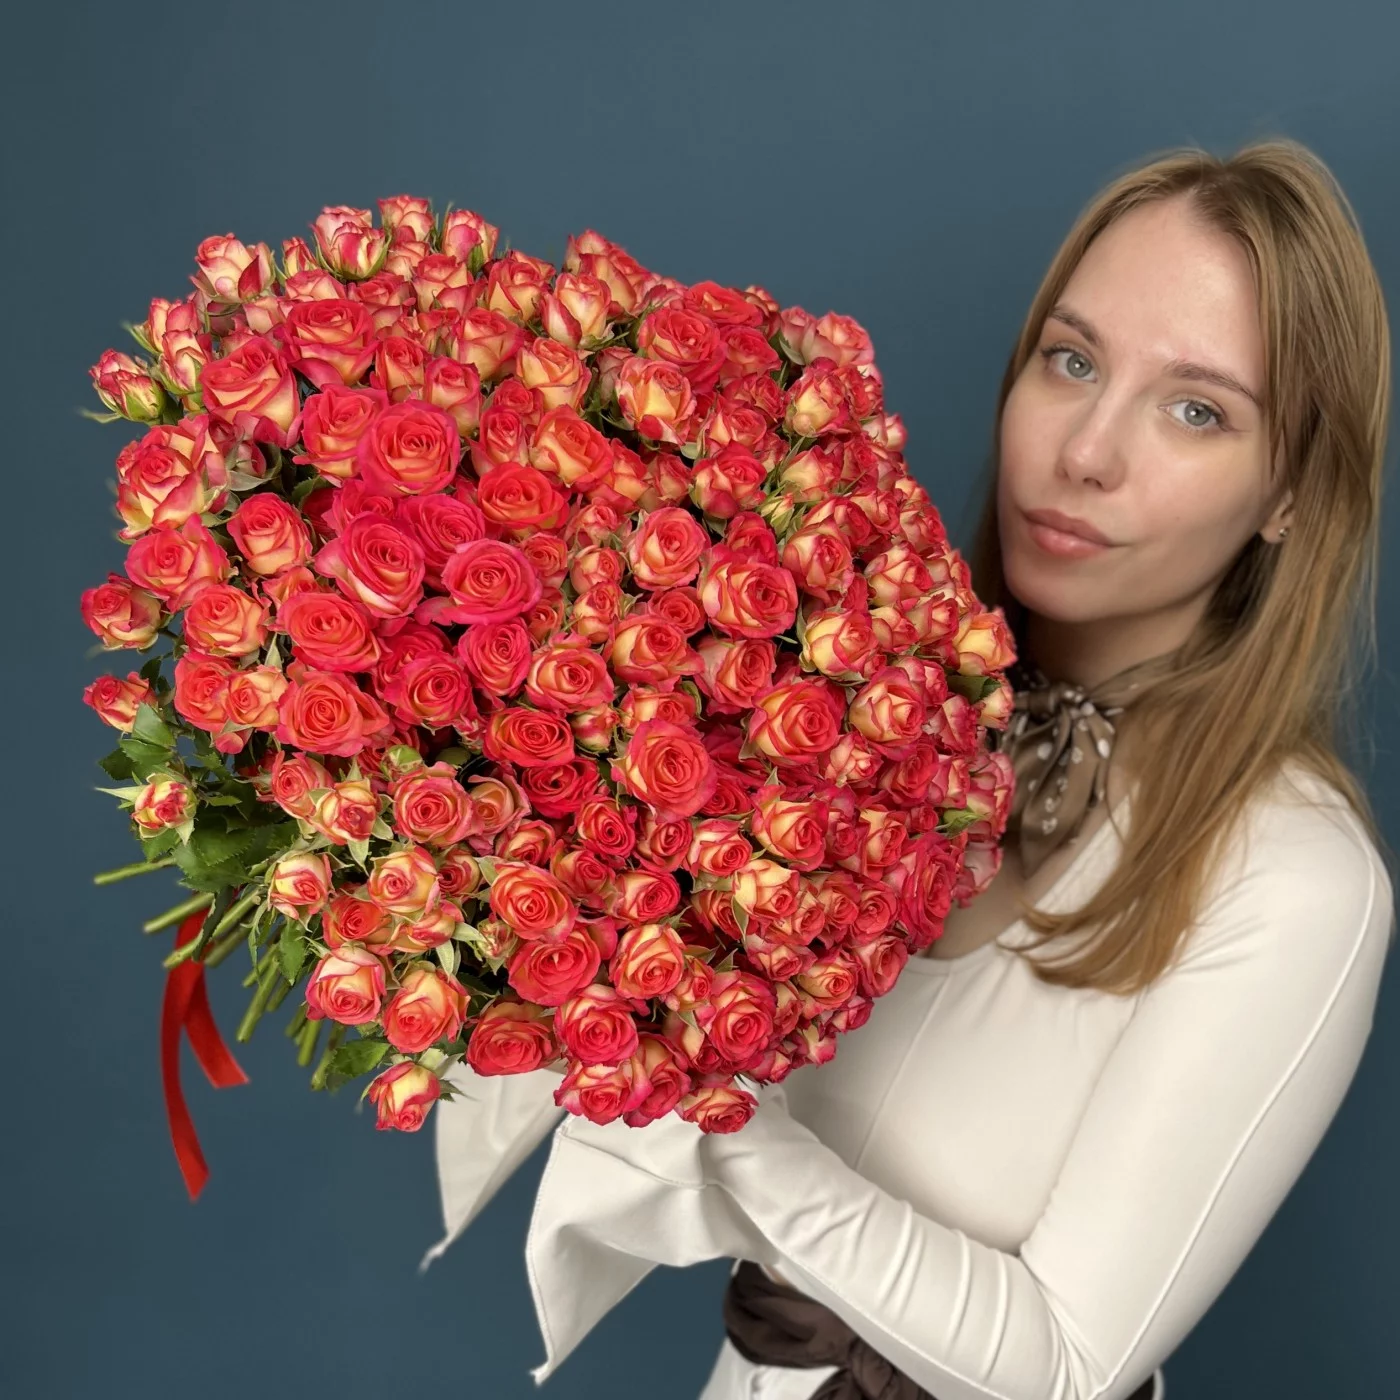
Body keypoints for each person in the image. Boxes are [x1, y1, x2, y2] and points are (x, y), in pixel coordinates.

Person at [418, 138, 1397, 1400]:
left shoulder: (1296, 876)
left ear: (1289, 494)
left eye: (1194, 408)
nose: (1085, 450)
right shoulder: (850, 708)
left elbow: (1064, 1364)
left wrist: (700, 1093)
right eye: (1071, 359)